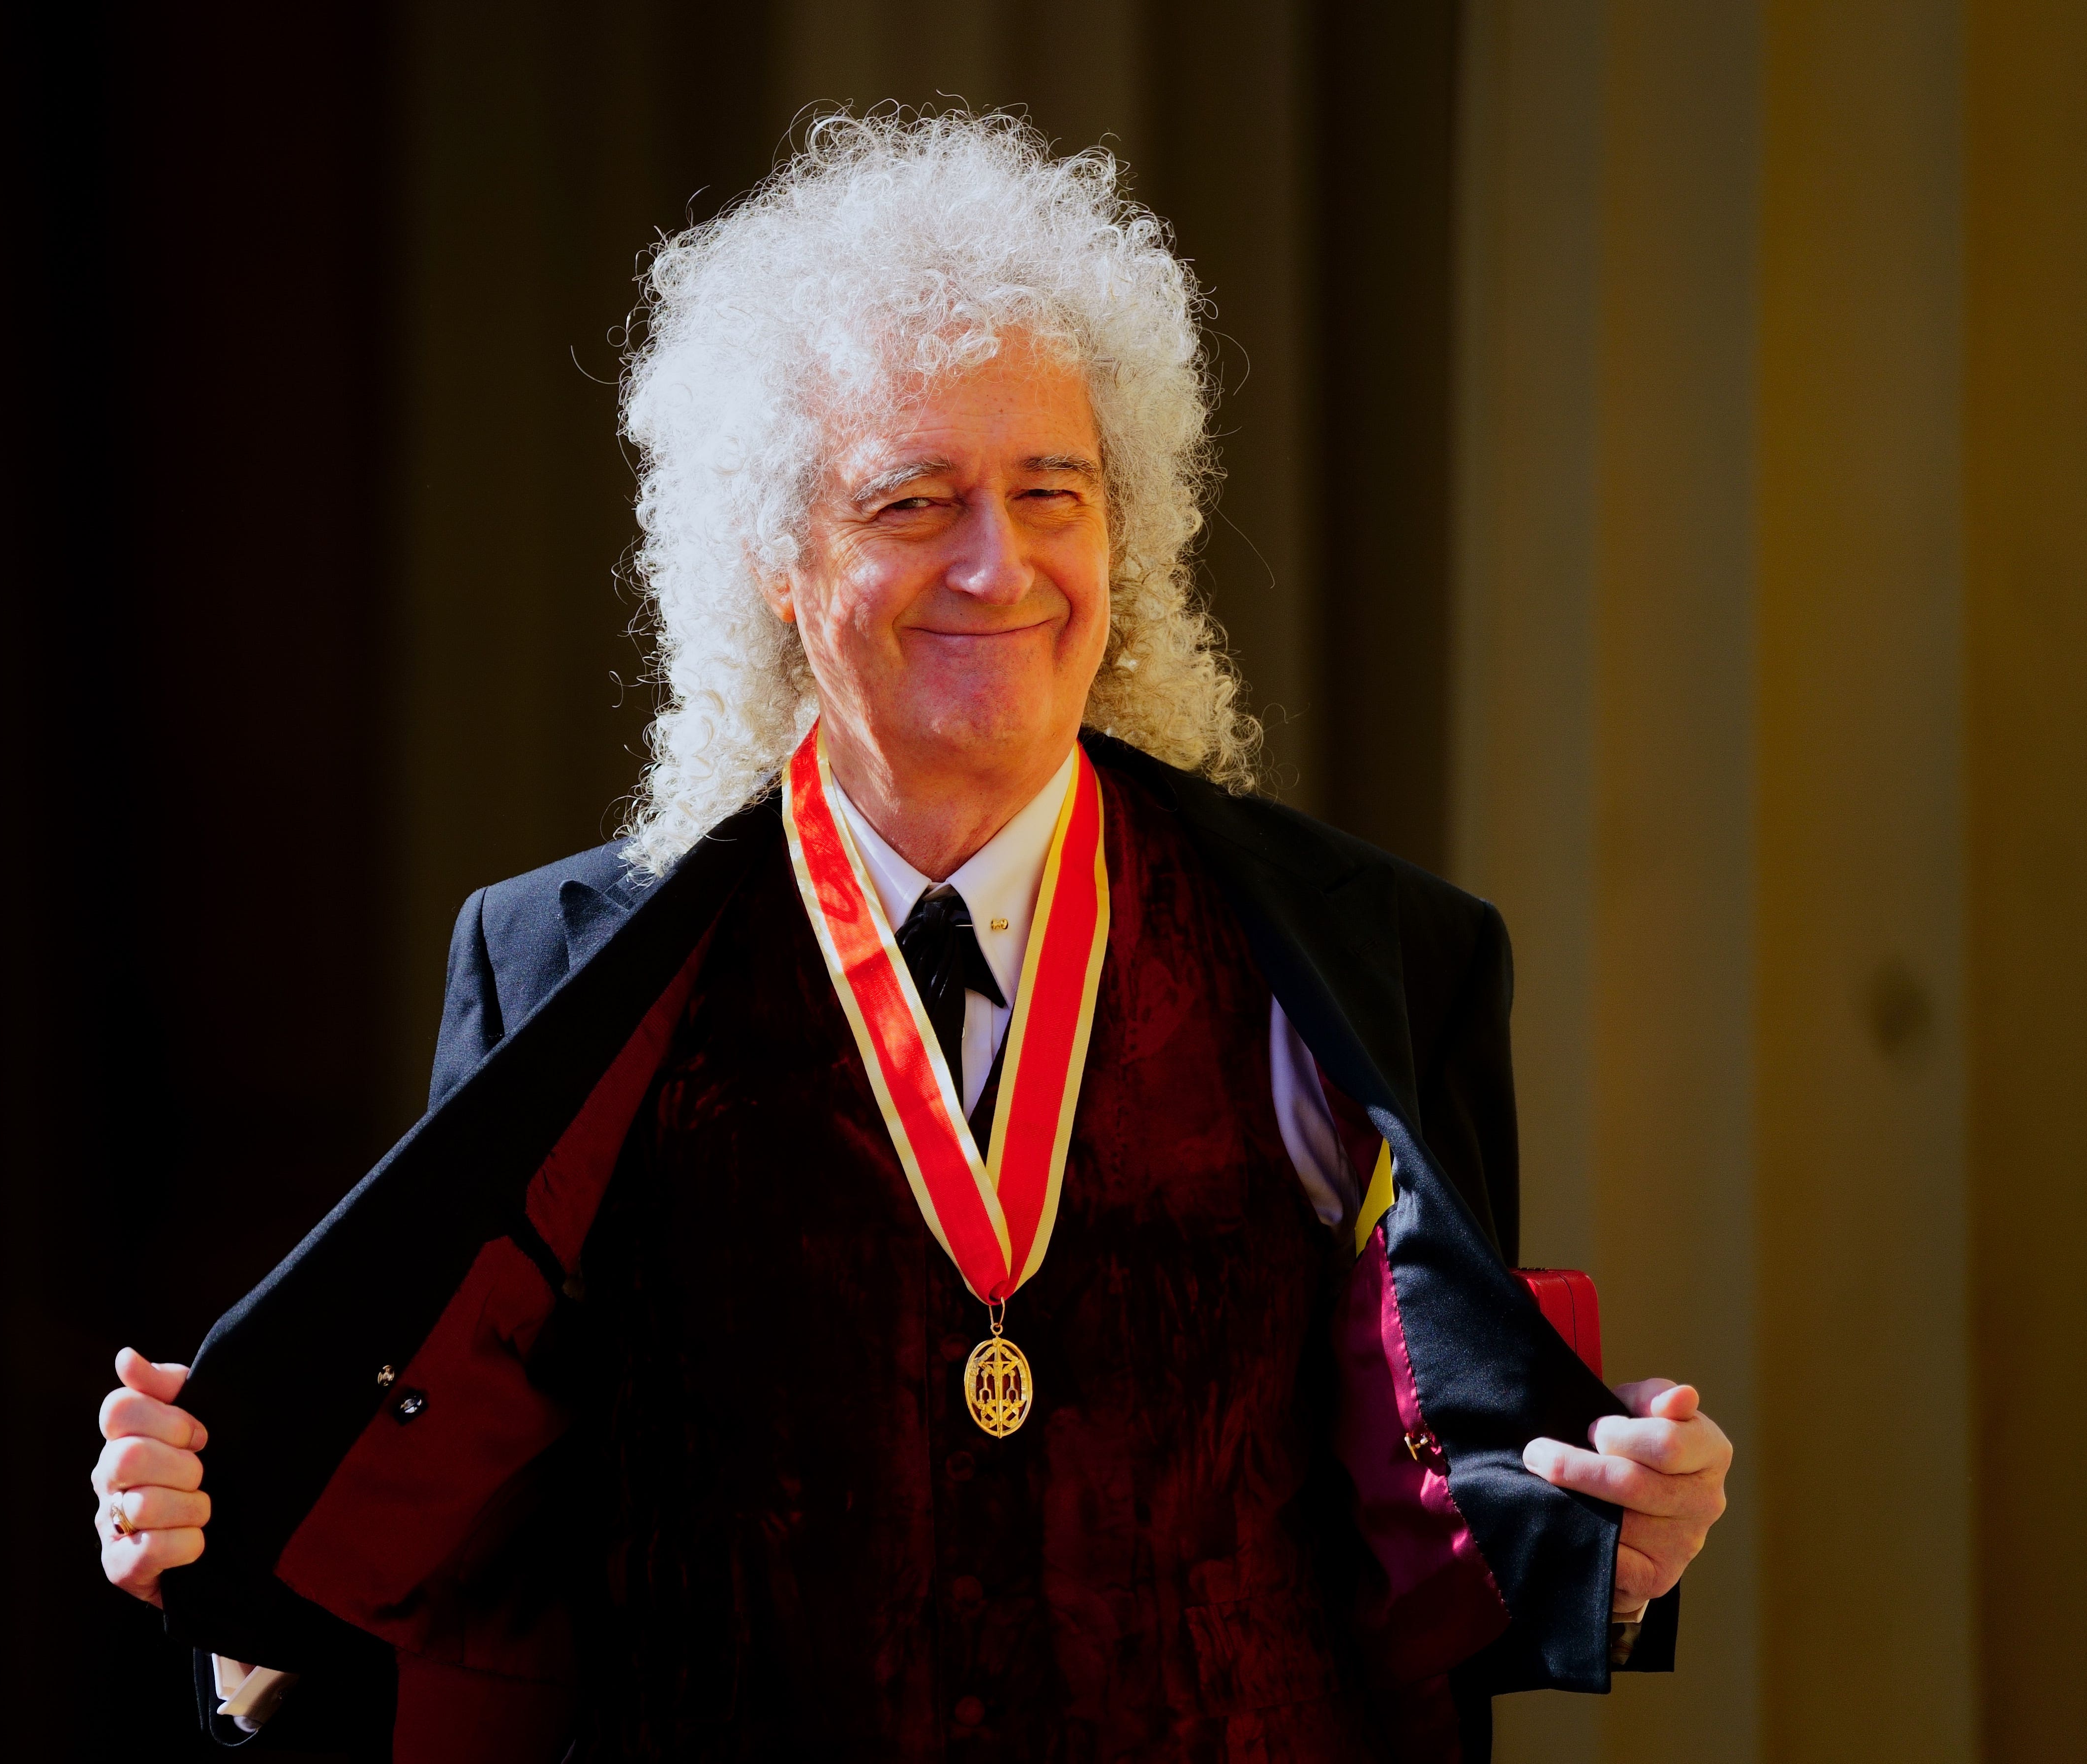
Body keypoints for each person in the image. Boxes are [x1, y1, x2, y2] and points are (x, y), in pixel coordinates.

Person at [87, 113, 1729, 1763]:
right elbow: (466, 1523)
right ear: (780, 563)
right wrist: (219, 1548)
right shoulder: (559, 966)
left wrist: (1617, 1540)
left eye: (1051, 492)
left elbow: (1428, 1518)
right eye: (913, 500)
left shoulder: (1382, 954)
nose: (998, 561)